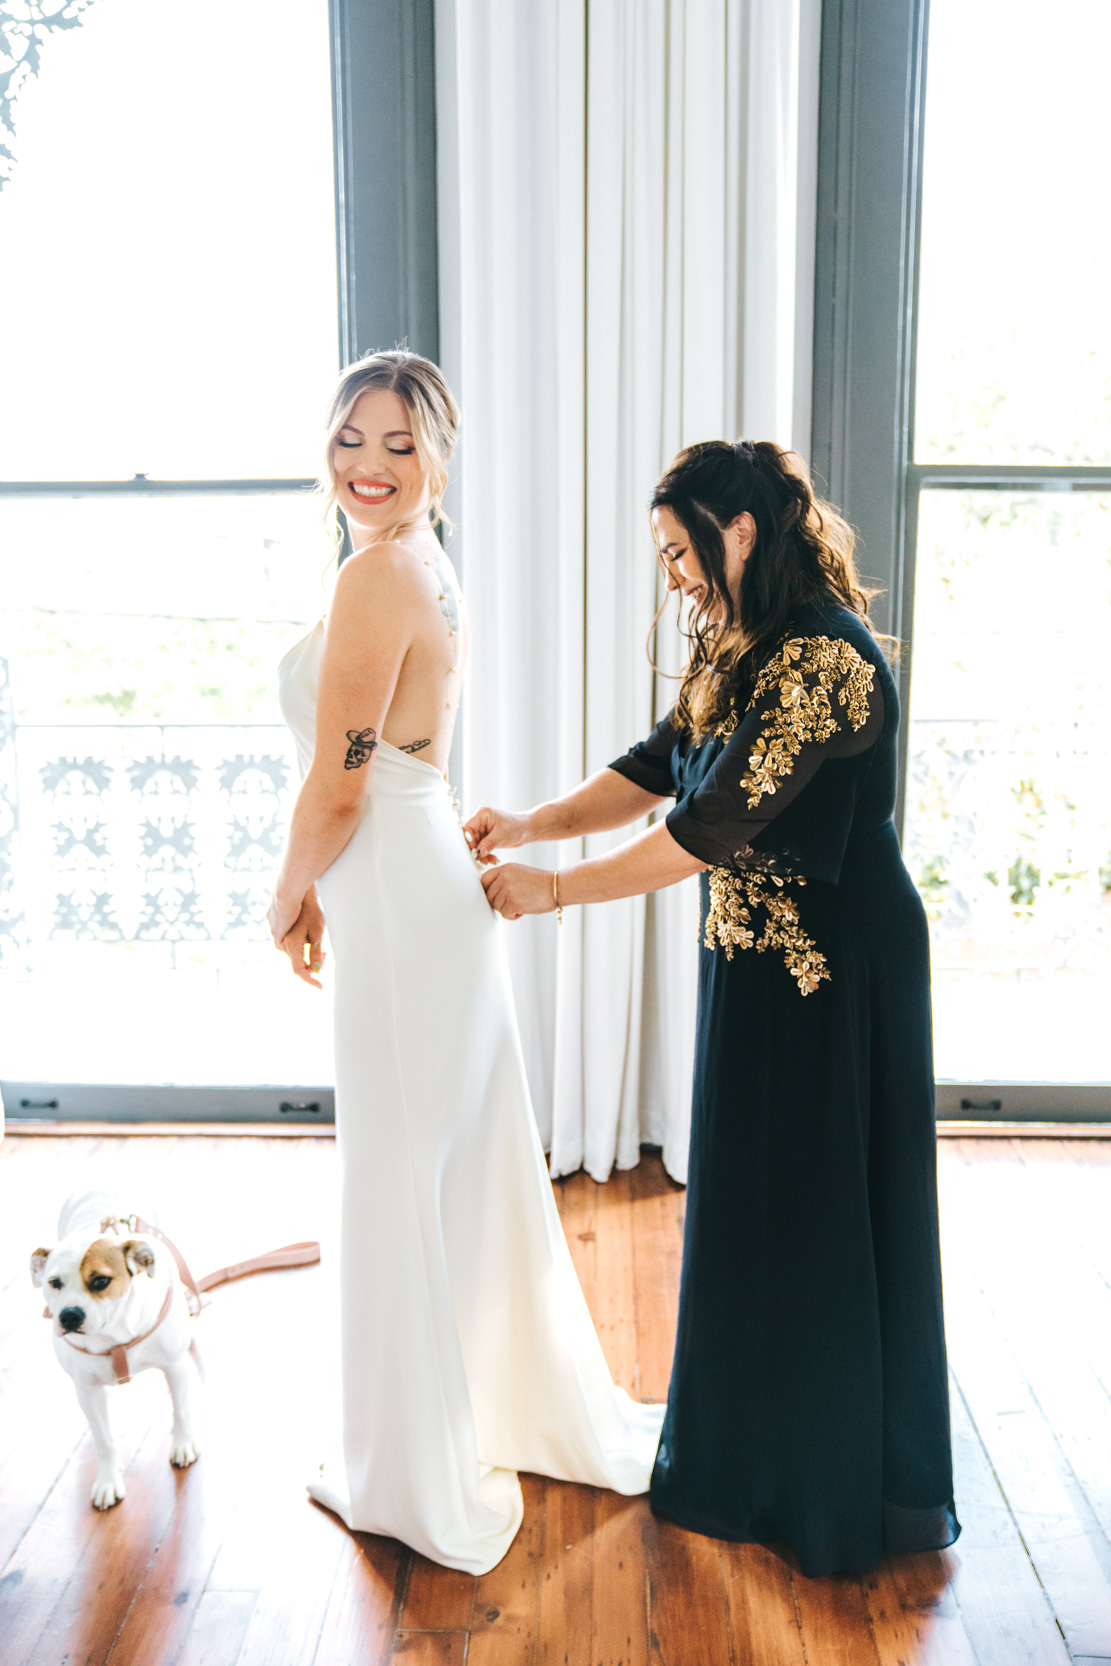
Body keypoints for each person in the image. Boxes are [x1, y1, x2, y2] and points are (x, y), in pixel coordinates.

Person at [467, 438, 961, 1578]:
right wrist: (529, 821)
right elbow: (659, 766)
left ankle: (825, 1478)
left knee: (819, 1205)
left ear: (737, 530)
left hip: (838, 966)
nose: (673, 574)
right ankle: (749, 1448)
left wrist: (551, 894)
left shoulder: (823, 662)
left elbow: (711, 825)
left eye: (679, 550)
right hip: (753, 957)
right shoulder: (740, 642)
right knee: (750, 1199)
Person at [270, 350, 664, 1575]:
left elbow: (338, 787)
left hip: (394, 882)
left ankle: (412, 1476)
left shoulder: (376, 575)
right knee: (447, 1162)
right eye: (349, 438)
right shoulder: (426, 566)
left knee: (397, 1171)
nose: (368, 466)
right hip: (420, 875)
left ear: (438, 456)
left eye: (397, 444)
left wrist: (283, 897)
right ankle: (476, 1416)